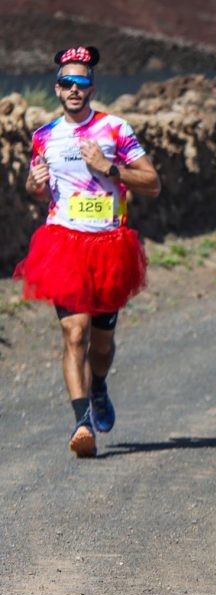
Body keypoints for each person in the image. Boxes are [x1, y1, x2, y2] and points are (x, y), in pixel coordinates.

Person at [14, 46, 161, 458]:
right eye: (66, 82)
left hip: (109, 246)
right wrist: (33, 185)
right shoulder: (44, 136)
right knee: (72, 332)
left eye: (81, 82)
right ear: (57, 89)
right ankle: (81, 425)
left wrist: (109, 168)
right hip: (63, 242)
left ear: (92, 87)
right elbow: (37, 189)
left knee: (101, 344)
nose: (74, 89)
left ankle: (98, 387)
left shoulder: (116, 130)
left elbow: (151, 182)